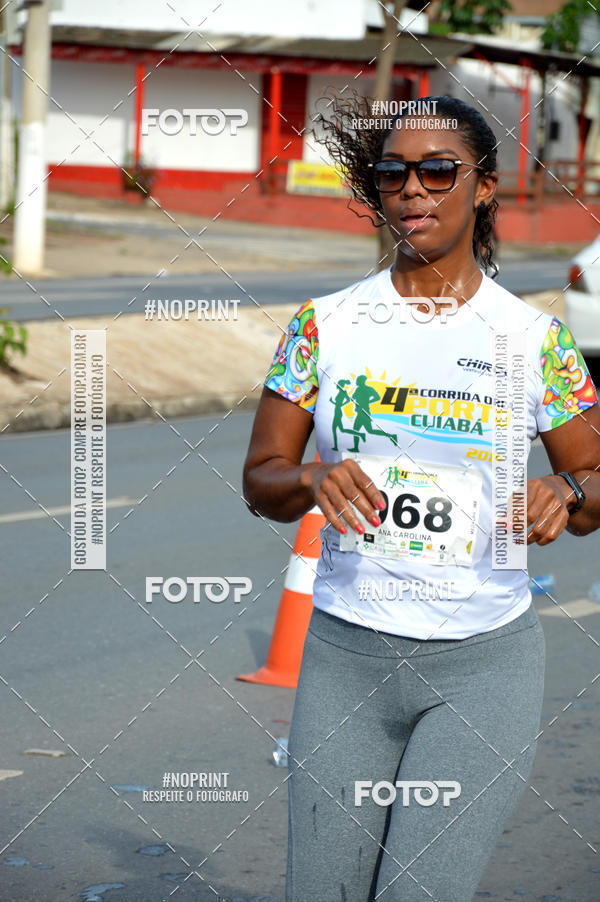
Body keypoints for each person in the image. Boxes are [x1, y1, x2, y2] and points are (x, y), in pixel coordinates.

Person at [242, 94, 600, 902]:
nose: (413, 189)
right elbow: (261, 476)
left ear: (483, 187)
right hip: (345, 658)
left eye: (439, 171)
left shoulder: (534, 341)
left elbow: (597, 480)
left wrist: (568, 488)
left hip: (483, 666)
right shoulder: (323, 326)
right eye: (393, 173)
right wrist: (308, 479)